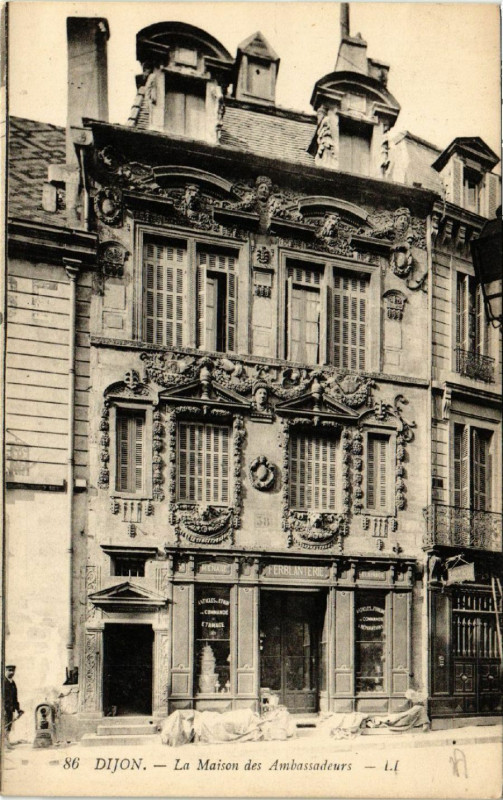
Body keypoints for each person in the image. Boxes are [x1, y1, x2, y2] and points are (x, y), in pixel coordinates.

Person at [4, 665, 23, 749]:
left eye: (13, 671)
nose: (11, 672)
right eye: (9, 670)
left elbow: (15, 698)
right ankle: (5, 743)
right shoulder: (3, 682)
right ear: (6, 671)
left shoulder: (13, 683)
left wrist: (18, 710)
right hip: (3, 709)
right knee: (4, 725)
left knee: (8, 726)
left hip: (10, 709)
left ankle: (6, 742)